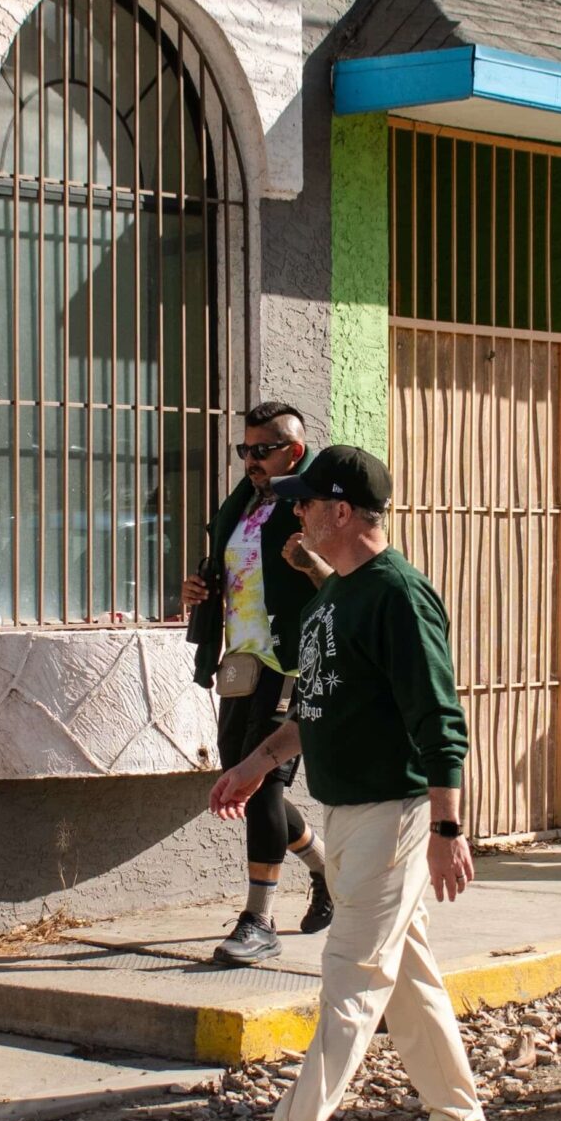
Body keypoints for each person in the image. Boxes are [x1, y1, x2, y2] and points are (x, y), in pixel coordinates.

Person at [209, 446, 493, 1121]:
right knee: (407, 980)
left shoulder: (397, 595)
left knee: (352, 977)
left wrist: (447, 829)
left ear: (340, 510)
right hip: (349, 812)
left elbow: (439, 718)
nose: (294, 512)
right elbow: (318, 707)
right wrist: (256, 763)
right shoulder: (334, 595)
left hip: (393, 814)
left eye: (305, 502)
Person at [181, 400, 334, 964]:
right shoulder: (245, 502)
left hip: (290, 661)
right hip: (243, 658)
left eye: (262, 450)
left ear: (294, 451)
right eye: (244, 449)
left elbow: (344, 580)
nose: (250, 459)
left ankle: (259, 920)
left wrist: (310, 563)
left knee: (263, 783)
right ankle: (325, 868)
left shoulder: (316, 504)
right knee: (240, 778)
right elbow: (234, 566)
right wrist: (201, 588)